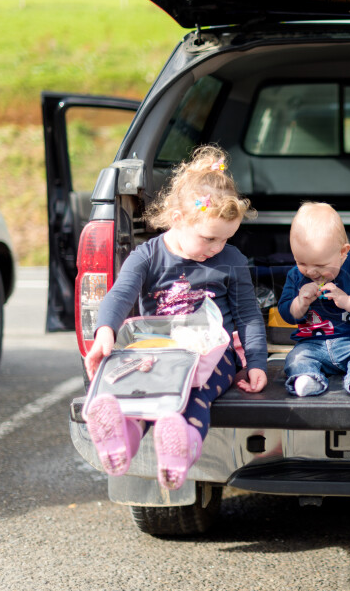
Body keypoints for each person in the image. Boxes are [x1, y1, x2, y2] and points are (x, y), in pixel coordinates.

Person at [82, 145, 268, 491]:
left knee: (196, 393)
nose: (217, 247)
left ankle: (178, 450)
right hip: (158, 350)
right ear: (178, 219)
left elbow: (248, 316)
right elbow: (120, 295)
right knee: (140, 392)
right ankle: (120, 441)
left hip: (212, 355)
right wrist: (105, 331)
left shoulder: (231, 260)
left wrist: (256, 362)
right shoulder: (147, 256)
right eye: (209, 238)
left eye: (225, 239)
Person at [277, 202, 350, 397]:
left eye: (320, 265)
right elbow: (286, 313)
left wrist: (348, 301)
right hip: (312, 344)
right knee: (295, 358)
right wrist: (300, 302)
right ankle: (308, 379)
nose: (311, 271)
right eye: (301, 262)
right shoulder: (296, 276)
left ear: (342, 252)